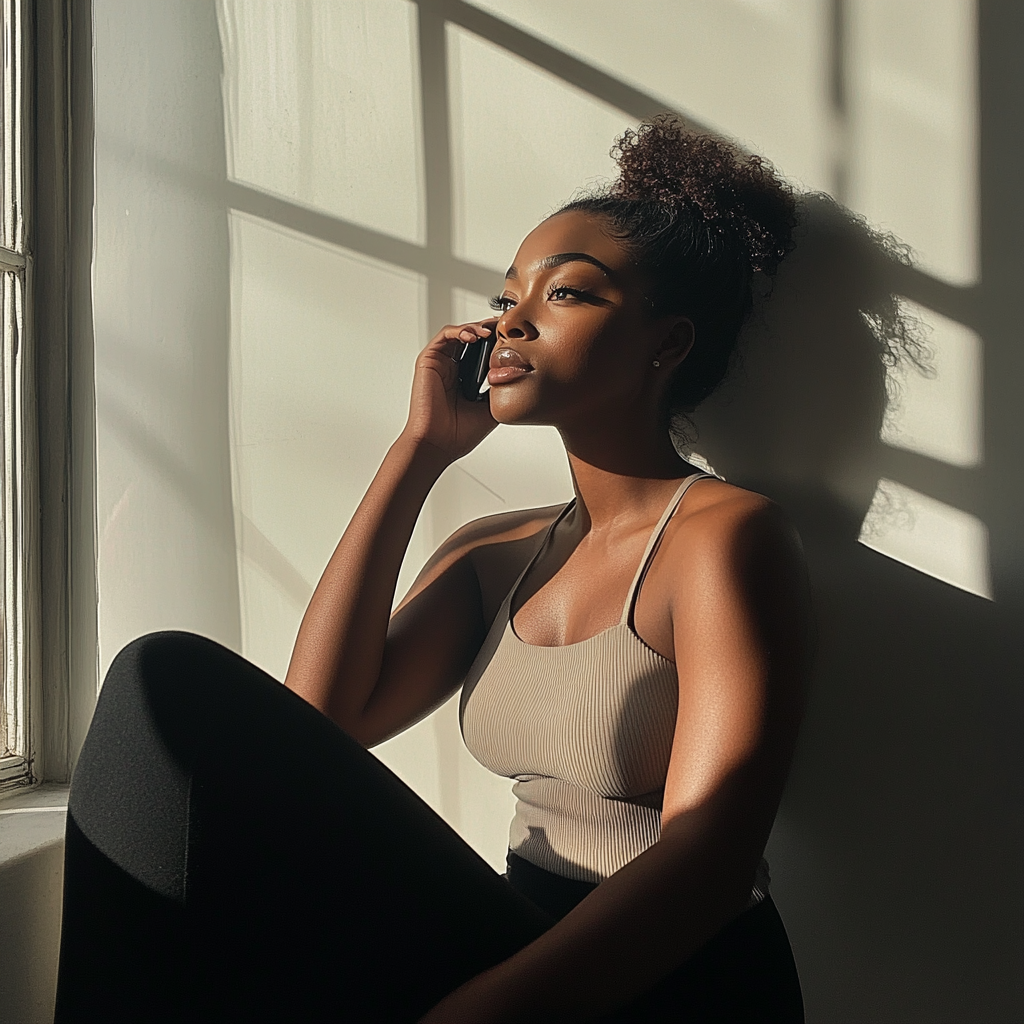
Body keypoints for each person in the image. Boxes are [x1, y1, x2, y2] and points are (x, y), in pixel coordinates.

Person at [56, 117, 810, 1023]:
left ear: (669, 344)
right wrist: (418, 452)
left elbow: (708, 867)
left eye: (569, 295)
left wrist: (473, 1014)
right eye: (507, 295)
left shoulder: (728, 538)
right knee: (159, 683)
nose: (512, 321)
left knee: (168, 678)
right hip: (514, 931)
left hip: (675, 979)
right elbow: (315, 738)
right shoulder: (499, 553)